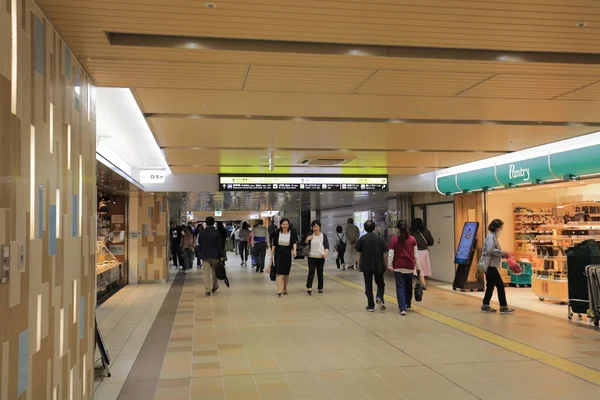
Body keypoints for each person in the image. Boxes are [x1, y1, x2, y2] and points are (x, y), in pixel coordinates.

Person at [482, 219, 515, 314]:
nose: (501, 230)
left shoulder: (492, 237)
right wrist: (502, 253)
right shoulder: (491, 237)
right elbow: (490, 250)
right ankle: (503, 307)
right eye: (501, 228)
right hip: (490, 265)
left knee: (490, 285)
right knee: (500, 285)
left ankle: (485, 304)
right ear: (496, 228)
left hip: (488, 264)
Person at [388, 220, 420, 315]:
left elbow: (391, 253)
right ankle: (408, 304)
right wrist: (418, 267)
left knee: (400, 287)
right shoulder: (412, 239)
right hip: (409, 266)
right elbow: (416, 255)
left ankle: (402, 308)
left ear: (397, 228)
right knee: (408, 285)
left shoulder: (394, 239)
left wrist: (389, 265)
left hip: (398, 266)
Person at [356, 220, 388, 312]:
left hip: (366, 265)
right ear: (374, 228)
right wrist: (386, 264)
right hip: (378, 265)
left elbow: (359, 253)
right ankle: (379, 297)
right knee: (380, 284)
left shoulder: (362, 239)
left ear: (365, 229)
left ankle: (370, 305)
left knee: (368, 285)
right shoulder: (380, 239)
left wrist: (358, 264)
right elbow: (385, 254)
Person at [270, 218, 298, 297]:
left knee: (286, 272)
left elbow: (293, 243)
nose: (285, 225)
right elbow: (274, 244)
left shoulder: (292, 232)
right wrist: (271, 255)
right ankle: (279, 289)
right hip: (278, 253)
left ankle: (285, 287)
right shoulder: (277, 232)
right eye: (283, 224)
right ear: (281, 225)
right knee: (278, 271)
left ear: (288, 225)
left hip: (287, 253)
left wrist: (294, 251)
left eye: (286, 224)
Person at [197, 217, 222, 296]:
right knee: (214, 272)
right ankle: (214, 286)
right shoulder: (217, 232)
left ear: (206, 223)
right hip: (215, 255)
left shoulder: (201, 233)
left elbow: (199, 244)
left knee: (206, 273)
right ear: (213, 223)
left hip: (205, 255)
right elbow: (220, 245)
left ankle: (207, 290)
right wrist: (221, 255)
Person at [305, 220, 330, 295]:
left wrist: (326, 254)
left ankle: (320, 287)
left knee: (320, 272)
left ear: (319, 227)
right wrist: (307, 239)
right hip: (311, 256)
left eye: (316, 226)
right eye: (313, 227)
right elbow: (305, 243)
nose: (315, 228)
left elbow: (326, 246)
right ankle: (309, 287)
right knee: (311, 271)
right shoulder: (310, 235)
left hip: (320, 257)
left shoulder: (323, 235)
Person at [410, 218, 435, 289]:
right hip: (424, 251)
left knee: (418, 267)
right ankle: (422, 282)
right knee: (422, 267)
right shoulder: (426, 231)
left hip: (416, 251)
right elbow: (431, 242)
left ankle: (423, 283)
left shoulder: (412, 233)